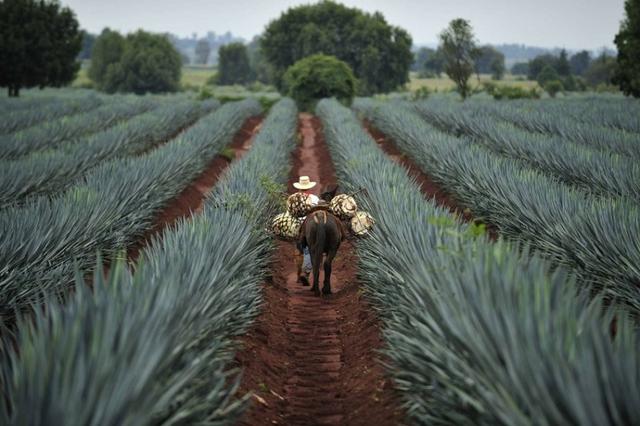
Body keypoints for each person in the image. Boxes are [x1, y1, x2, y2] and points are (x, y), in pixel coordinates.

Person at [293, 176, 319, 284]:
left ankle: (299, 274)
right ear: (309, 187)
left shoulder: (294, 198)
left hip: (298, 226)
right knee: (309, 250)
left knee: (300, 251)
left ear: (299, 187)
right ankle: (306, 273)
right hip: (313, 225)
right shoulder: (314, 198)